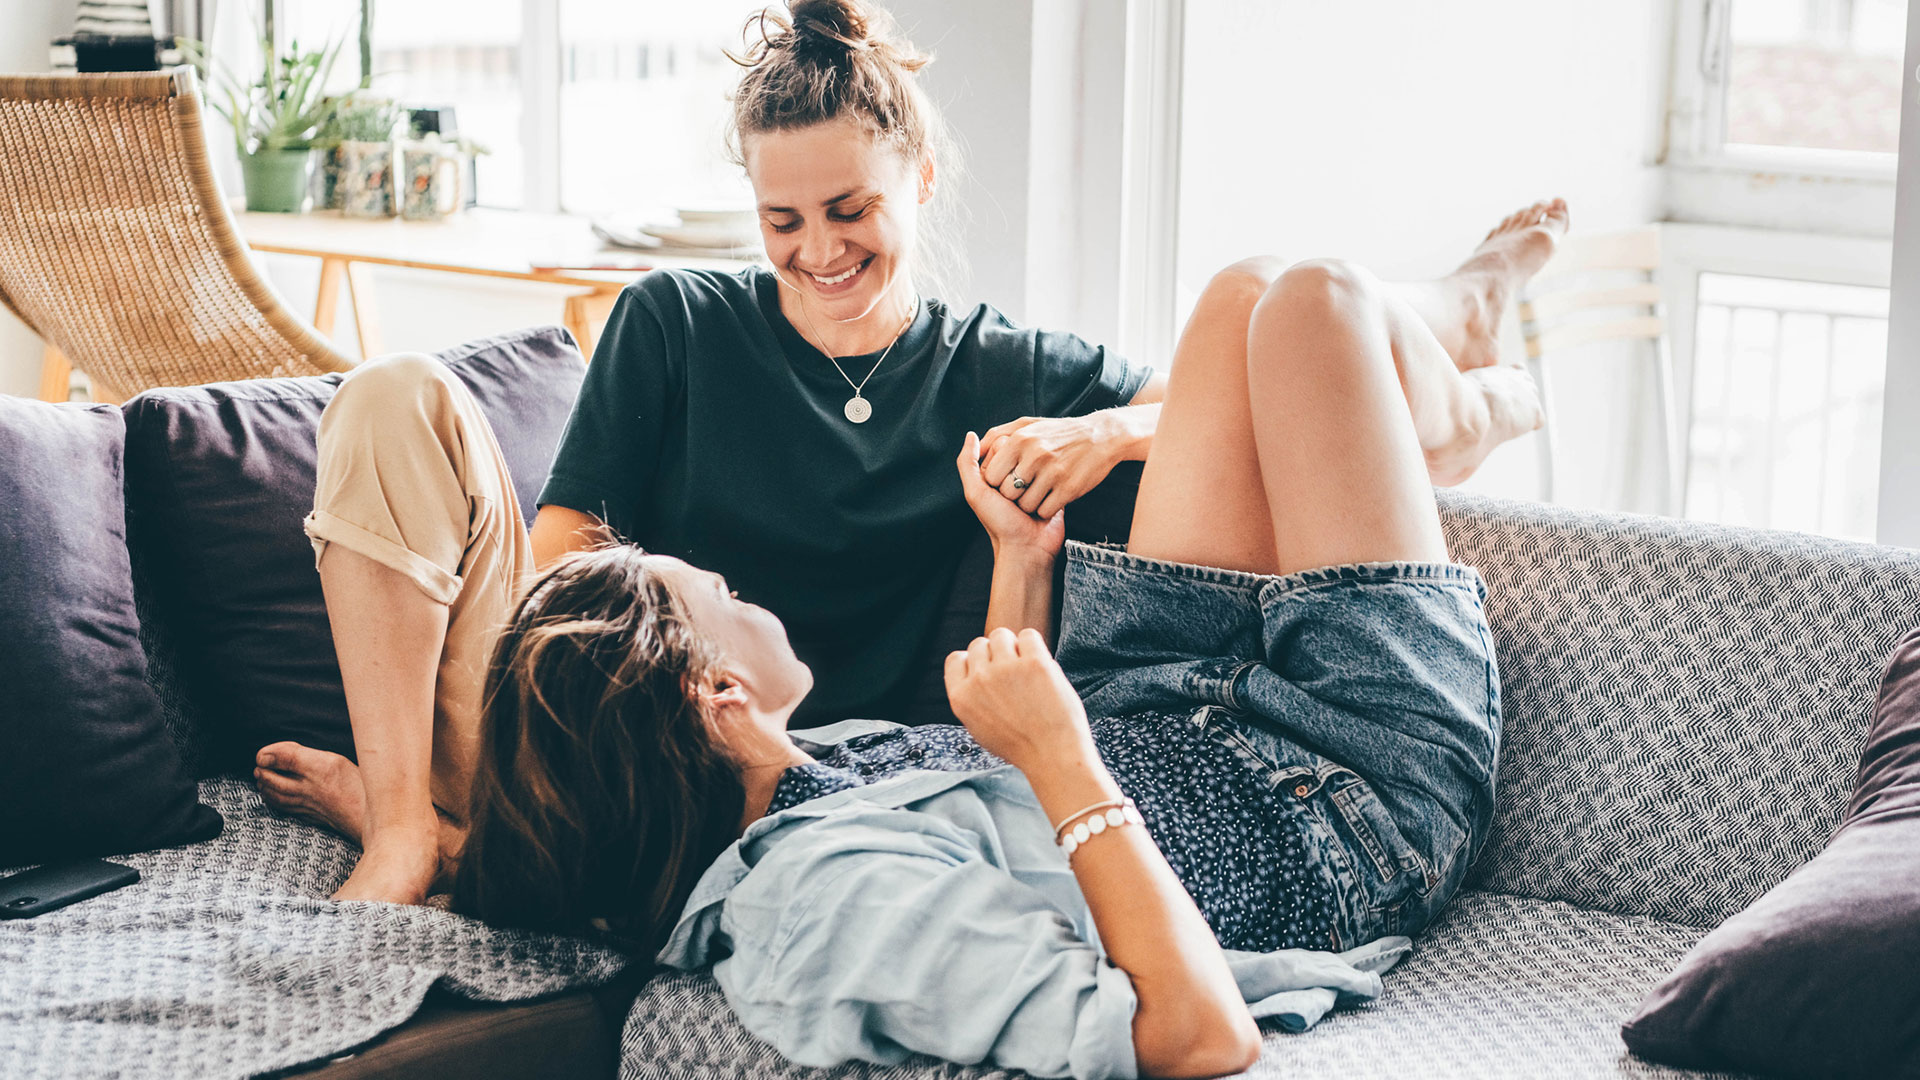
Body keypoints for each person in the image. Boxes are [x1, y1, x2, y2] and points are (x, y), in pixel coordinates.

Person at [249, 0, 1562, 909]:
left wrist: (1103, 430)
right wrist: (630, 689)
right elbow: (569, 580)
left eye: (849, 209)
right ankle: (415, 824)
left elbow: (1217, 400)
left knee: (1272, 303)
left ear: (920, 177)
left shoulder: (1001, 370)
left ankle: (1457, 344)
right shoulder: (679, 321)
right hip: (631, 726)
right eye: (782, 220)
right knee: (391, 392)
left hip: (806, 784)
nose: (818, 249)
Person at [449, 236, 1514, 1079]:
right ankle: (1469, 405)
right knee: (1318, 300)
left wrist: (1021, 560)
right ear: (718, 693)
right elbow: (1196, 1035)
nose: (739, 590)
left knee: (1244, 296)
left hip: (1158, 698)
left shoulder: (787, 778)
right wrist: (1065, 761)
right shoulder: (832, 908)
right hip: (1346, 797)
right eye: (718, 596)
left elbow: (989, 776)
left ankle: (1449, 378)